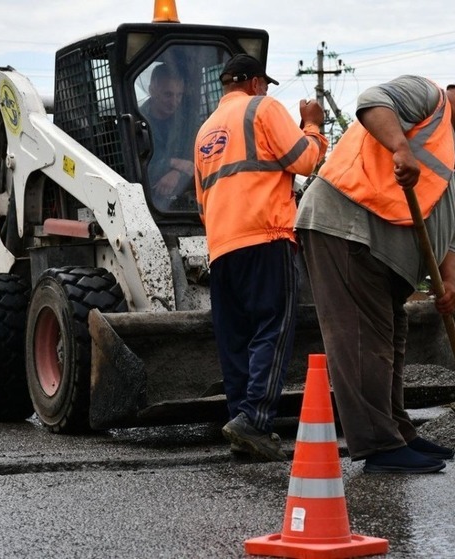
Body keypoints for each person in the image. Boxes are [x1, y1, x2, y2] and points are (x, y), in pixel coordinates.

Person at [295, 71, 455, 473]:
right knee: (362, 339)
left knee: (389, 339)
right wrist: (400, 149)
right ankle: (378, 446)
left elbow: (451, 237)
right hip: (348, 225)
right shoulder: (429, 96)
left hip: (384, 252)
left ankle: (396, 431)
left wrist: (448, 282)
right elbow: (372, 102)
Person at [194, 53, 327, 461]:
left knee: (235, 340)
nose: (267, 90)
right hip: (267, 237)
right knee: (273, 328)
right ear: (254, 83)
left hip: (221, 247)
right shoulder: (263, 108)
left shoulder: (204, 132)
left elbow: (203, 200)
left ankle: (241, 423)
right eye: (265, 84)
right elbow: (305, 161)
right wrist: (313, 125)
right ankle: (255, 420)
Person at [139, 63, 196, 211]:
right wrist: (172, 162)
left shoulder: (188, 123)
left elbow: (195, 162)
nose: (174, 102)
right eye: (168, 94)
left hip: (186, 202)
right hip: (146, 202)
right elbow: (136, 167)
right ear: (152, 90)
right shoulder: (137, 122)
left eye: (179, 95)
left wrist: (177, 173)